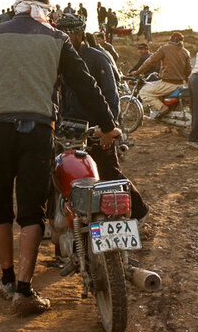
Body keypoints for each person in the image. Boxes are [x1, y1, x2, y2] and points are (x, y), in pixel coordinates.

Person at [0, 0, 120, 315]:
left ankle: (7, 280)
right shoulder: (56, 38)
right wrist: (108, 126)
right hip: (38, 132)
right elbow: (84, 84)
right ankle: (25, 291)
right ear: (46, 10)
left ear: (16, 9)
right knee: (32, 210)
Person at [56, 14, 148, 220]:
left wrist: (108, 129)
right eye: (59, 34)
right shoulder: (57, 57)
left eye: (67, 35)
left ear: (79, 34)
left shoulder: (97, 58)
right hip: (67, 129)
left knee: (108, 174)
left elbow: (111, 96)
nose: (62, 39)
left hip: (96, 128)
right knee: (61, 175)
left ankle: (139, 212)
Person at [130, 32, 191, 118]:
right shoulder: (185, 52)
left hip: (167, 83)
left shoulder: (164, 49)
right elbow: (188, 70)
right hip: (180, 84)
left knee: (143, 92)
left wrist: (137, 72)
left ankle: (162, 108)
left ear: (171, 40)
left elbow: (149, 62)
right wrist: (187, 83)